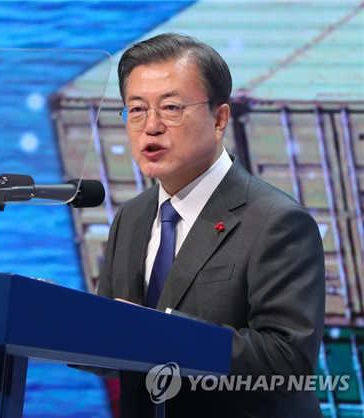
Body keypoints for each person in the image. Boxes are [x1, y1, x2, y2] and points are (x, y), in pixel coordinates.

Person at [95, 33, 326, 417]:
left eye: (170, 108)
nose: (151, 126)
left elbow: (288, 361)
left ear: (219, 119)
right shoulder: (131, 217)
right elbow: (110, 342)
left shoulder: (277, 220)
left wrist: (162, 332)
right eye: (136, 110)